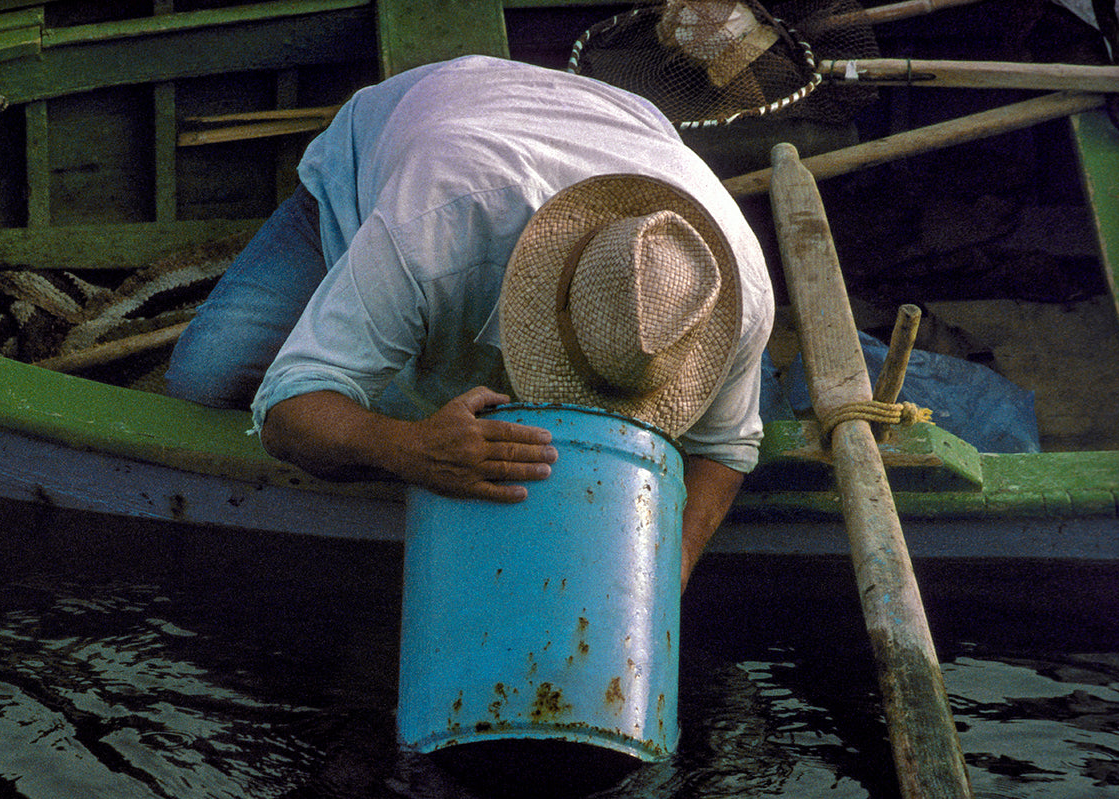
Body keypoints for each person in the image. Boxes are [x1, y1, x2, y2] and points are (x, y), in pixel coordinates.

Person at [162, 56, 774, 586]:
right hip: (398, 145)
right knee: (204, 377)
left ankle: (759, 382)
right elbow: (288, 408)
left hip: (622, 127)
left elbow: (725, 449)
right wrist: (407, 448)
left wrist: (666, 572)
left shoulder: (733, 288)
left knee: (760, 426)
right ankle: (349, 301)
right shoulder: (434, 223)